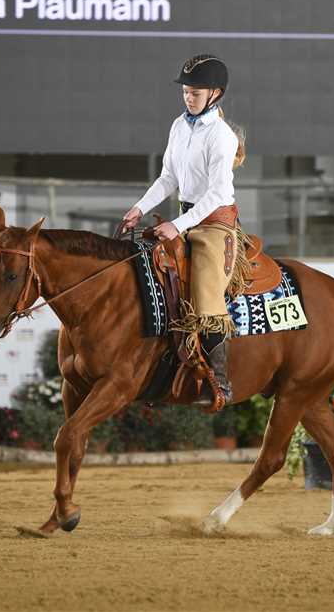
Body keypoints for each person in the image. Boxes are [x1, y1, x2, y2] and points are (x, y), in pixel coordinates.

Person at [122, 54, 246, 407]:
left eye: (195, 93)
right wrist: (139, 207)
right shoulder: (179, 125)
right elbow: (168, 178)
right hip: (185, 219)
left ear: (215, 94)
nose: (188, 98)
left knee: (205, 297)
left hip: (214, 225)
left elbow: (217, 194)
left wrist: (177, 225)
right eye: (186, 92)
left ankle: (219, 383)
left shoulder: (221, 137)